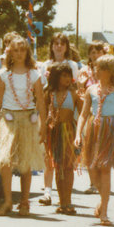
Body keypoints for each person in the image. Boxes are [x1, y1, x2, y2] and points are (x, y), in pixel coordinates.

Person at [0, 36, 46, 216]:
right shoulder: (4, 75)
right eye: (16, 50)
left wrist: (42, 125)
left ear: (27, 52)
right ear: (11, 53)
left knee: (25, 161)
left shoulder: (34, 74)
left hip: (28, 118)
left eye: (23, 50)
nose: (20, 53)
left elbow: (41, 101)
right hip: (9, 118)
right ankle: (7, 201)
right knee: (6, 159)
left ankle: (24, 202)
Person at [75, 54, 114, 226]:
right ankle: (102, 199)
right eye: (95, 68)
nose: (96, 71)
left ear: (108, 71)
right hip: (93, 129)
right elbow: (83, 114)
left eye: (99, 68)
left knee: (105, 169)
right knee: (92, 168)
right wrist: (78, 134)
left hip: (110, 128)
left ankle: (104, 209)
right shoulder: (91, 90)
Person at [37, 33, 80, 207]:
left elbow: (83, 110)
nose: (59, 46)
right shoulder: (49, 87)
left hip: (68, 128)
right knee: (53, 162)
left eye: (62, 43)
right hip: (53, 129)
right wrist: (42, 128)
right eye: (56, 43)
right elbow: (42, 105)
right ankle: (52, 194)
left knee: (67, 165)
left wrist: (79, 132)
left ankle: (66, 201)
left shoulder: (72, 69)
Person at [43, 62, 81, 215]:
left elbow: (84, 111)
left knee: (68, 167)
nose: (67, 79)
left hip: (69, 132)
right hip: (54, 133)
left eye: (69, 75)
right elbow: (44, 112)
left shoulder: (73, 93)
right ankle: (62, 201)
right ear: (56, 77)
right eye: (63, 75)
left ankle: (69, 200)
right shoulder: (49, 94)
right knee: (58, 167)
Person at [77, 41, 106, 195]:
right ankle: (93, 182)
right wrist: (81, 85)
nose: (95, 55)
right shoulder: (84, 71)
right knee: (90, 149)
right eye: (92, 52)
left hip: (105, 114)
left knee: (101, 149)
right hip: (89, 113)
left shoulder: (108, 70)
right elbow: (79, 93)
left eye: (98, 52)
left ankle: (102, 181)